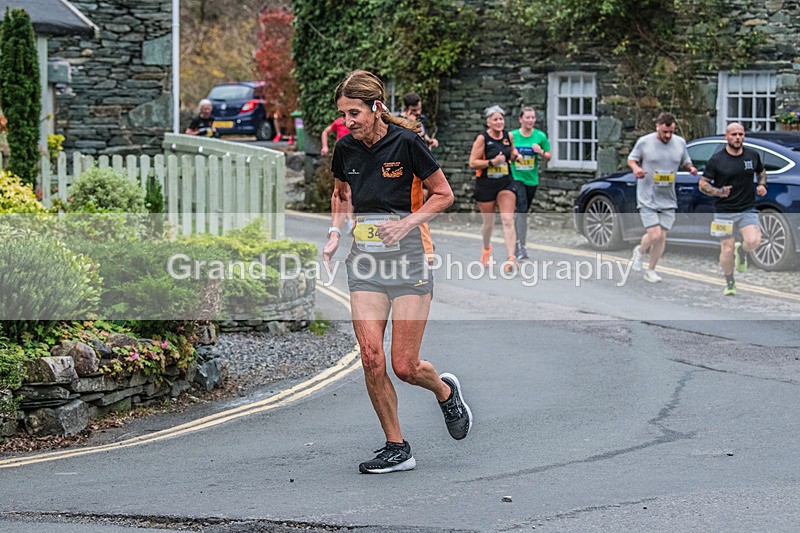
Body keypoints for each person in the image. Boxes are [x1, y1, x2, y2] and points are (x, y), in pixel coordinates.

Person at [322, 70, 472, 474]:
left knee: (404, 365)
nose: (348, 121)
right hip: (365, 265)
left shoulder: (407, 143)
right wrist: (336, 233)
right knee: (371, 357)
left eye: (355, 113)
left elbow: (444, 194)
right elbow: (341, 195)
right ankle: (396, 446)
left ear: (376, 108)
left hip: (408, 262)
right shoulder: (345, 149)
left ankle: (444, 390)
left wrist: (407, 223)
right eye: (343, 114)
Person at [628, 112, 698, 282]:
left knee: (662, 237)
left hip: (668, 196)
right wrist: (636, 169)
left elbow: (685, 161)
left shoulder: (680, 143)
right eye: (664, 132)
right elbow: (632, 159)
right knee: (654, 234)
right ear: (657, 127)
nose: (667, 136)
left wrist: (691, 168)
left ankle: (651, 270)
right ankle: (639, 250)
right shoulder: (645, 142)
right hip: (647, 195)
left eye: (671, 132)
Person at [699, 122, 766, 296]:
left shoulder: (752, 155)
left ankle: (742, 251)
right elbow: (703, 184)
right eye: (734, 134)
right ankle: (730, 282)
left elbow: (761, 171)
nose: (738, 138)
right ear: (726, 137)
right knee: (727, 249)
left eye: (741, 134)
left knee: (754, 241)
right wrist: (717, 192)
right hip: (723, 211)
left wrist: (761, 184)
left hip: (747, 208)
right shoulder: (717, 160)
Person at [468, 105, 523, 272]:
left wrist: (516, 156)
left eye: (501, 119)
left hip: (506, 182)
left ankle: (511, 258)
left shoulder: (508, 136)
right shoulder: (482, 139)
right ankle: (486, 249)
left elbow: (511, 152)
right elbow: (472, 162)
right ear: (488, 122)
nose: (499, 122)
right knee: (488, 224)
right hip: (486, 184)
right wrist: (492, 162)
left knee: (508, 220)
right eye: (495, 119)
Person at [510, 106, 551, 260]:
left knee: (523, 212)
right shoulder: (512, 135)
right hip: (516, 177)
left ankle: (516, 242)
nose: (530, 120)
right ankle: (521, 246)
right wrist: (514, 155)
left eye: (533, 117)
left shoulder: (540, 136)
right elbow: (506, 152)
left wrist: (540, 152)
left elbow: (549, 156)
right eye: (527, 117)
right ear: (521, 119)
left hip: (531, 179)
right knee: (521, 209)